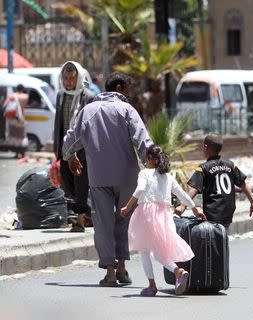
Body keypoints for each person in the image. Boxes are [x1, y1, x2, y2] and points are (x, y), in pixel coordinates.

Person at [62, 72, 153, 287]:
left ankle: (110, 273)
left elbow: (69, 141)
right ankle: (122, 267)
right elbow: (144, 143)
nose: (130, 93)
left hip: (99, 177)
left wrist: (70, 157)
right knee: (124, 222)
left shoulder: (88, 111)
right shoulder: (126, 110)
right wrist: (152, 167)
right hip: (127, 177)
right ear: (120, 88)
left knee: (103, 224)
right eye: (128, 88)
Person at [120, 145, 206, 296]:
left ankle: (152, 285)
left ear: (149, 159)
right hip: (165, 216)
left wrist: (127, 207)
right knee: (160, 251)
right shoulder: (168, 177)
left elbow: (140, 189)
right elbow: (183, 195)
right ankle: (178, 271)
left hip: (147, 215)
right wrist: (195, 210)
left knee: (145, 250)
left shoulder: (145, 173)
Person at [175, 133, 253, 229]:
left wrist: (183, 206)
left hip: (212, 212)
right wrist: (252, 202)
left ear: (205, 147)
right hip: (228, 213)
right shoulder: (230, 165)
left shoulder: (203, 167)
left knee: (213, 240)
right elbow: (243, 183)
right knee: (222, 236)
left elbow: (194, 188)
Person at [54, 61, 96, 232]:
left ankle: (79, 221)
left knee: (81, 184)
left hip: (82, 150)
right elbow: (58, 124)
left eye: (72, 78)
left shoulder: (88, 97)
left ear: (78, 78)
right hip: (65, 149)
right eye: (65, 78)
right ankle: (87, 214)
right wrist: (57, 150)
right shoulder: (60, 95)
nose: (68, 82)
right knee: (66, 181)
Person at [2, 84, 29, 158]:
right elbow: (26, 106)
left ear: (16, 89)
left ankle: (16, 153)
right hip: (21, 118)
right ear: (22, 89)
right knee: (22, 136)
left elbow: (4, 105)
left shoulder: (12, 96)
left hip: (12, 119)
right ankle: (22, 153)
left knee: (14, 136)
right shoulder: (25, 96)